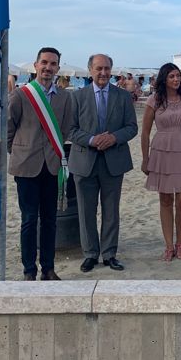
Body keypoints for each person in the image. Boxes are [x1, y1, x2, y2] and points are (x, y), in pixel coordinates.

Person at [8, 47, 74, 281]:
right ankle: (29, 269)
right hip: (26, 167)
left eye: (53, 63)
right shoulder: (21, 94)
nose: (48, 67)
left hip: (52, 166)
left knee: (49, 220)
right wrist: (19, 151)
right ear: (35, 66)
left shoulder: (65, 97)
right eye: (44, 62)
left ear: (58, 68)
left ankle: (48, 268)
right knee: (28, 220)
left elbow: (65, 128)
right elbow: (9, 129)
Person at [68, 53, 138, 273]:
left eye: (107, 68)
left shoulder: (123, 97)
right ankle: (90, 254)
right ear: (90, 70)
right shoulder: (77, 97)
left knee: (111, 211)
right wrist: (92, 140)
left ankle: (109, 253)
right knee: (86, 211)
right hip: (84, 161)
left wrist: (113, 137)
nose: (103, 73)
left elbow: (131, 127)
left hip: (113, 161)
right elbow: (70, 129)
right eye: (99, 68)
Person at [141, 62, 181, 261]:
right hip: (162, 152)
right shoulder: (154, 100)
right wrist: (145, 159)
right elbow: (145, 132)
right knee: (166, 200)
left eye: (178, 76)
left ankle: (180, 242)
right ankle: (168, 245)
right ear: (164, 79)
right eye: (171, 76)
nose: (176, 80)